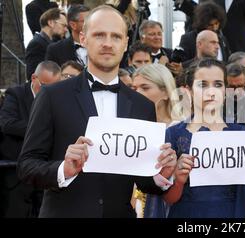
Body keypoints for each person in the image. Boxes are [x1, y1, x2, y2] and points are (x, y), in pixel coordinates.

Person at [17, 5, 177, 218]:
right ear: (83, 39)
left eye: (116, 36)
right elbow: (27, 166)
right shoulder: (52, 96)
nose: (108, 44)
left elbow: (143, 180)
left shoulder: (143, 106)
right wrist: (63, 169)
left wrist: (162, 174)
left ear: (125, 43)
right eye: (99, 35)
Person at [162, 58, 245, 218]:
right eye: (203, 85)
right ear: (188, 90)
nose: (211, 92)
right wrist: (179, 180)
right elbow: (168, 198)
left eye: (218, 84)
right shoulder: (173, 134)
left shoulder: (243, 134)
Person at [0, 61, 61, 218]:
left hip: (44, 174)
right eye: (45, 86)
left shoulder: (57, 98)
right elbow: (7, 124)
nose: (49, 91)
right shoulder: (16, 94)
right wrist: (40, 129)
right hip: (16, 174)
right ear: (34, 78)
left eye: (54, 87)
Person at [132, 64, 184, 218]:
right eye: (134, 88)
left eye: (145, 87)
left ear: (166, 92)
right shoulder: (130, 127)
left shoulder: (182, 130)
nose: (138, 93)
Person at [25, 8, 68, 81]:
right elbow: (33, 75)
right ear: (51, 23)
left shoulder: (50, 43)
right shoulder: (36, 44)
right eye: (63, 25)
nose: (66, 30)